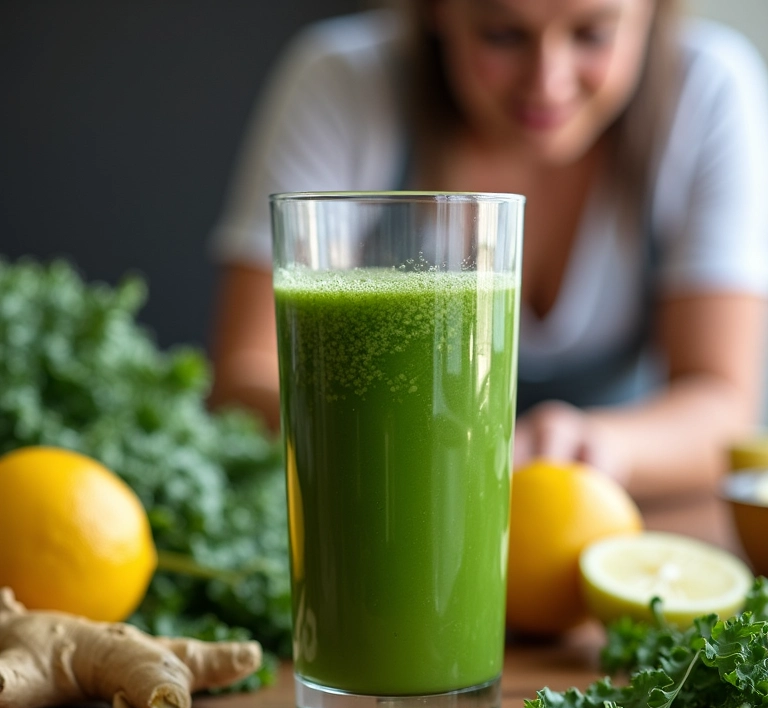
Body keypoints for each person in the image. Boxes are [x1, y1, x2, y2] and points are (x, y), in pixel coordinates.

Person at [208, 0, 768, 500]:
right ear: (437, 11)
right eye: (503, 34)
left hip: (594, 523)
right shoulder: (344, 82)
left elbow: (720, 404)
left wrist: (595, 447)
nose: (548, 82)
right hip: (381, 506)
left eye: (593, 34)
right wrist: (415, 445)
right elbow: (246, 374)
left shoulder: (708, 92)